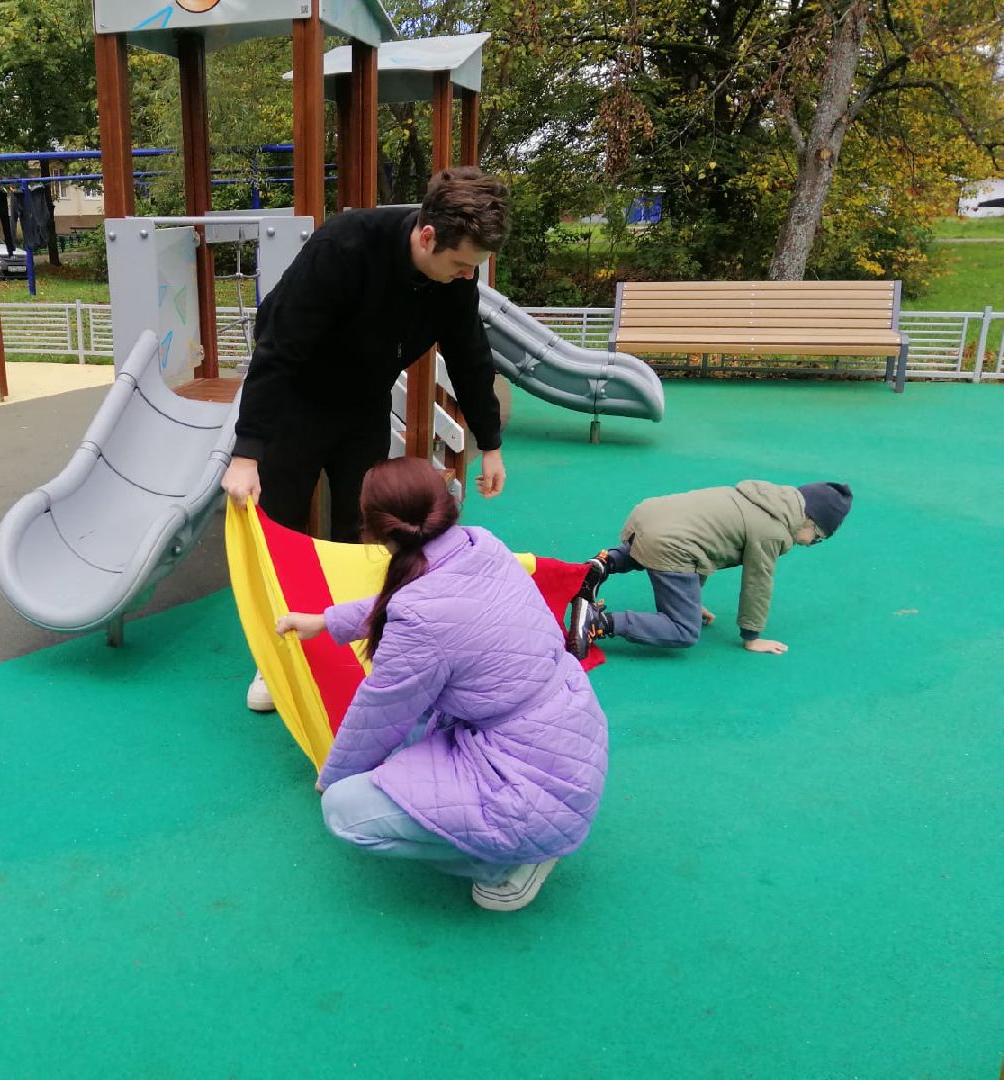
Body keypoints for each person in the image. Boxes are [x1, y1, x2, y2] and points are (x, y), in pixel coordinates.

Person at [222, 167, 512, 712]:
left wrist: (489, 442)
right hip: (298, 399)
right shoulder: (345, 245)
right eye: (459, 265)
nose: (465, 277)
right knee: (282, 524)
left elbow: (471, 356)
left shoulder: (456, 279)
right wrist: (246, 454)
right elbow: (278, 348)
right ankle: (276, 658)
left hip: (363, 404)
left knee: (361, 526)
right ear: (427, 236)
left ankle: (349, 637)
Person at [275, 458, 609, 912]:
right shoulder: (480, 545)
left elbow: (380, 710)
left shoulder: (419, 616)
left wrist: (332, 776)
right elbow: (427, 603)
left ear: (375, 530)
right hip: (564, 740)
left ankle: (509, 864)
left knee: (344, 808)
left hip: (526, 789)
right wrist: (327, 621)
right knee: (409, 741)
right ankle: (513, 841)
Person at [567, 480, 853, 658]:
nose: (811, 543)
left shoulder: (761, 497)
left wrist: (689, 599)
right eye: (817, 539)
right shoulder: (772, 531)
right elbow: (758, 582)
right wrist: (751, 637)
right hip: (669, 543)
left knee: (661, 543)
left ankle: (605, 562)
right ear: (811, 523)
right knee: (684, 630)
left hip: (647, 517)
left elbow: (707, 544)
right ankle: (598, 622)